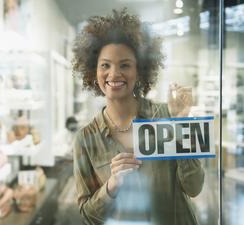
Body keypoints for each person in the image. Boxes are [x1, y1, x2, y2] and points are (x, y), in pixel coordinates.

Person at [72, 9, 204, 225]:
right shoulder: (85, 139)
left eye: (125, 65)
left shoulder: (166, 116)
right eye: (105, 65)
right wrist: (112, 185)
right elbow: (88, 215)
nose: (114, 74)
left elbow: (194, 187)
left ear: (139, 71)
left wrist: (181, 124)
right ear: (93, 72)